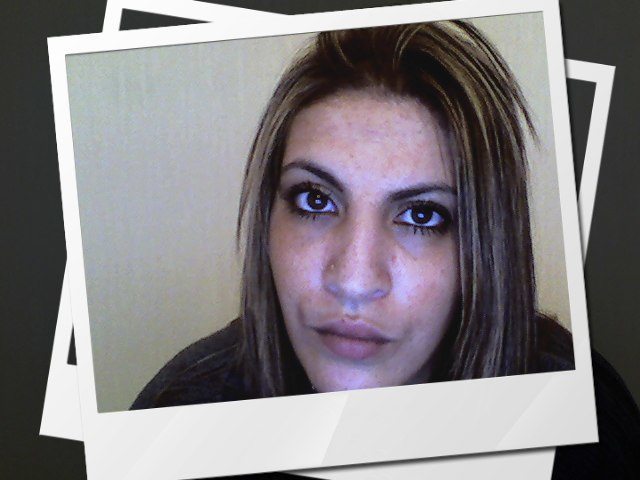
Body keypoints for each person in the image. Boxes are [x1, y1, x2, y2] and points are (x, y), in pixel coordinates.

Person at [132, 20, 574, 408]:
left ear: (487, 245)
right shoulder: (183, 411)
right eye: (315, 201)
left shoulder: (573, 410)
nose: (353, 283)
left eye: (421, 216)